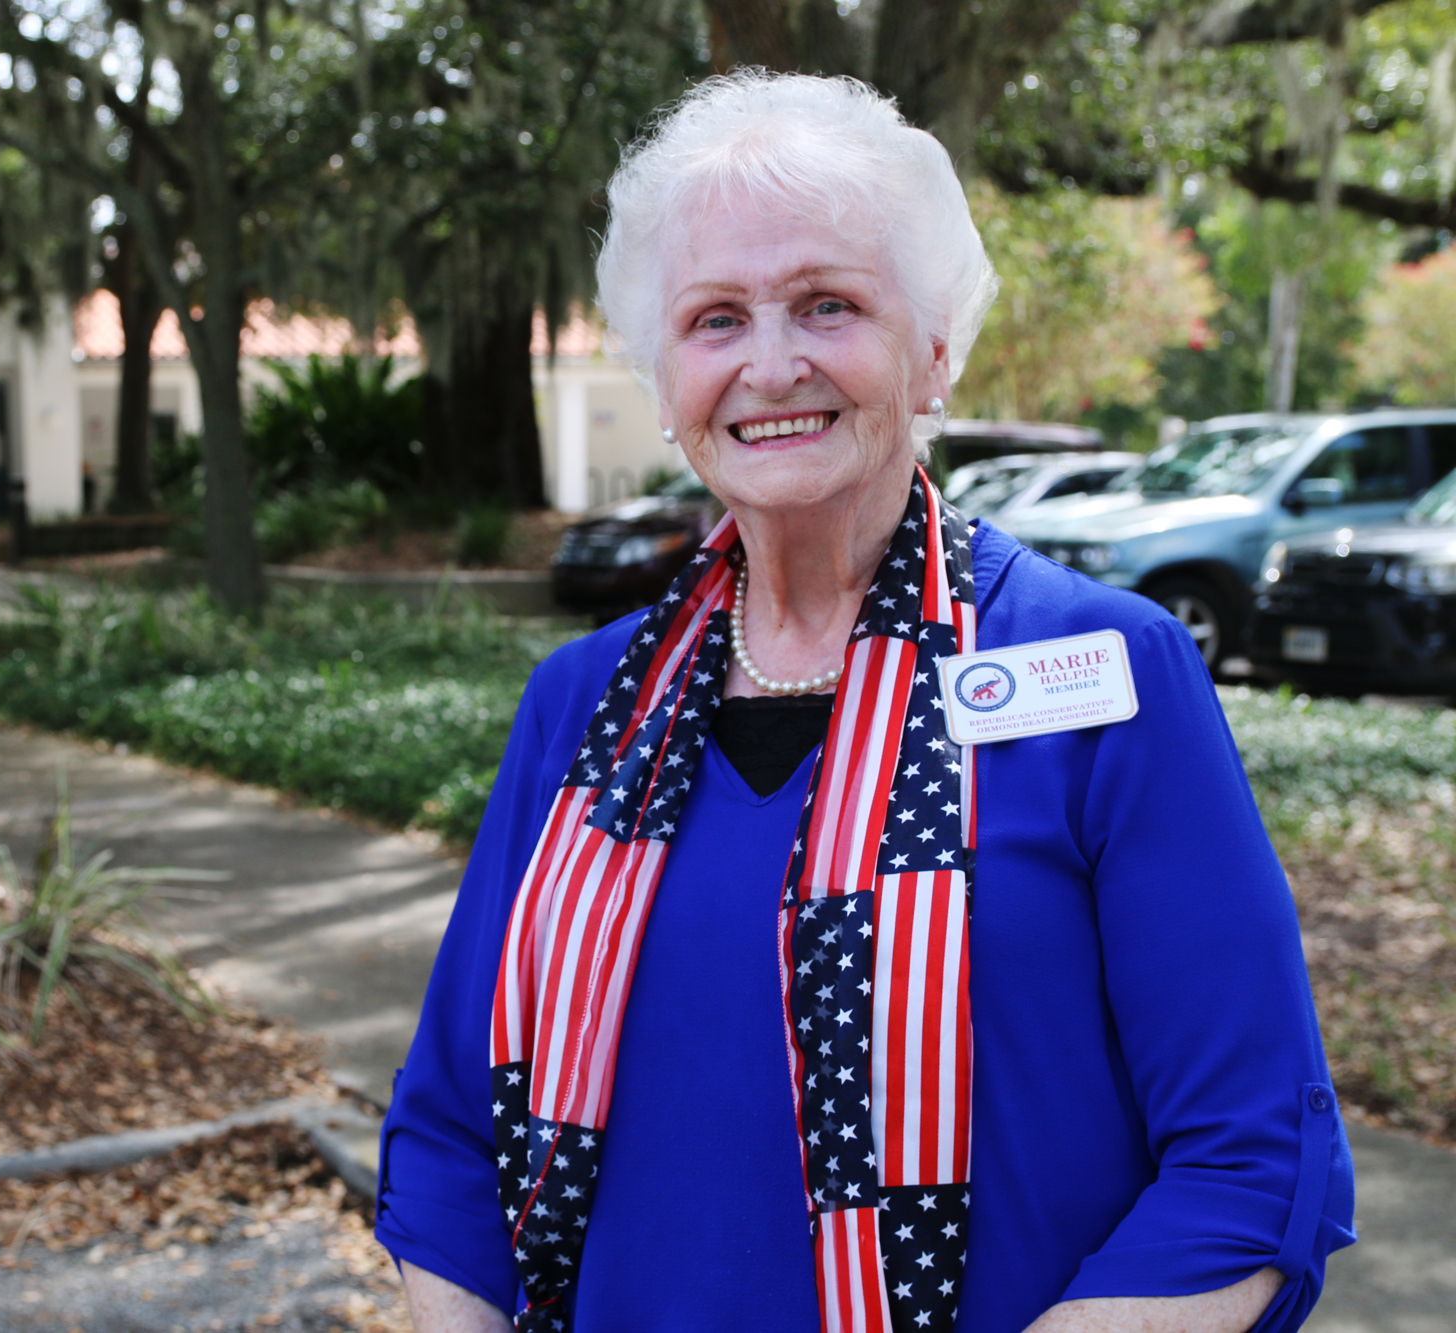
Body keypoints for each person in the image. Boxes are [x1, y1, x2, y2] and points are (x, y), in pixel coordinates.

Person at [374, 72, 1355, 1333]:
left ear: (934, 346)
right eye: (712, 319)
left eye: (826, 304)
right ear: (662, 377)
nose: (769, 364)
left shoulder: (1108, 673)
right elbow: (451, 1135)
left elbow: (1246, 1160)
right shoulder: (580, 704)